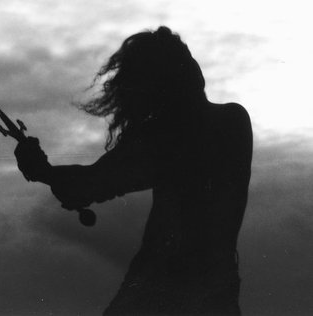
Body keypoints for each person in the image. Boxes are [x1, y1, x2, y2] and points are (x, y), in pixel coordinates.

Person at [14, 26, 253, 315]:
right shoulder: (233, 121)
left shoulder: (164, 139)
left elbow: (87, 186)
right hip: (217, 292)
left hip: (159, 289)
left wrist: (43, 171)